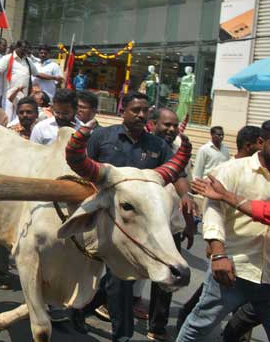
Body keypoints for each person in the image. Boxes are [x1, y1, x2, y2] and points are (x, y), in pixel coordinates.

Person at [76, 92, 173, 342]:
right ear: (123, 111)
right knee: (110, 275)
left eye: (145, 111)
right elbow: (81, 169)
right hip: (102, 216)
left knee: (121, 277)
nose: (141, 115)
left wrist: (185, 199)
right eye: (135, 110)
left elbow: (174, 175)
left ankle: (113, 331)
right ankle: (104, 324)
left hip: (135, 224)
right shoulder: (101, 137)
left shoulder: (158, 146)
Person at [176, 123, 270, 341]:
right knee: (198, 326)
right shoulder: (232, 170)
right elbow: (213, 210)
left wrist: (229, 197)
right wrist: (218, 252)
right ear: (261, 141)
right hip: (234, 269)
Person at [145, 107, 197, 341]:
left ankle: (157, 327)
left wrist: (189, 222)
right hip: (142, 225)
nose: (171, 129)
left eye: (174, 126)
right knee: (122, 276)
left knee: (169, 275)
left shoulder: (180, 151)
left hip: (170, 225)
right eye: (166, 125)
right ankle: (92, 305)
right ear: (153, 123)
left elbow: (182, 181)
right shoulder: (144, 147)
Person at [0, 40, 35, 119]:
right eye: (23, 49)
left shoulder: (28, 61)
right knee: (8, 120)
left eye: (26, 49)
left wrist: (54, 77)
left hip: (23, 98)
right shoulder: (7, 58)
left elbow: (37, 73)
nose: (25, 51)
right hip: (9, 97)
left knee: (20, 120)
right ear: (17, 48)